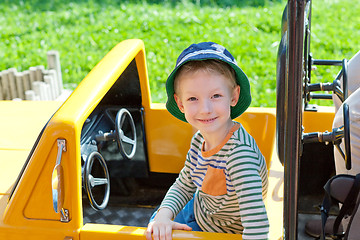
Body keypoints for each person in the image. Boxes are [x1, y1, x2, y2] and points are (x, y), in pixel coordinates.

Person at [145, 42, 269, 240]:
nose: (205, 109)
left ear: (234, 96)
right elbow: (184, 183)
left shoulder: (240, 157)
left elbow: (257, 226)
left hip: (223, 232)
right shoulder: (199, 139)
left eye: (216, 96)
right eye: (193, 98)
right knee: (155, 227)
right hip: (200, 210)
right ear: (180, 103)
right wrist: (164, 214)